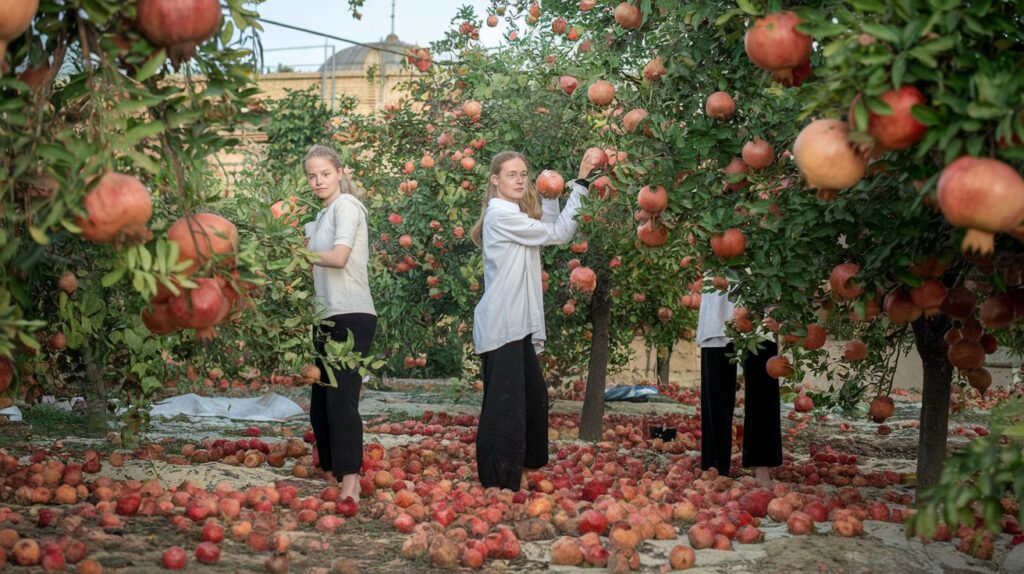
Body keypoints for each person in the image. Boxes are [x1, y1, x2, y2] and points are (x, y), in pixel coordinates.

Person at [470, 150, 600, 491]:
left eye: (523, 174)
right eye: (511, 174)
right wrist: (581, 184)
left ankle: (520, 471)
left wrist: (551, 196)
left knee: (533, 397)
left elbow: (546, 227)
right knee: (505, 405)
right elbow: (558, 234)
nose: (519, 180)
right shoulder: (501, 216)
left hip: (517, 324)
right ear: (495, 179)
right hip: (503, 324)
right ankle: (498, 481)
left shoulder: (514, 215)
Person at [302, 144, 377, 502]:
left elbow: (339, 256)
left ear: (340, 171)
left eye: (325, 174)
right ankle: (332, 473)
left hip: (351, 314)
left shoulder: (346, 206)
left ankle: (351, 481)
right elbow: (308, 266)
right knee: (320, 402)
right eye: (312, 176)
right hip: (325, 315)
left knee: (340, 399)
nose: (318, 181)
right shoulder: (317, 218)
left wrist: (303, 253)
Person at [696, 284, 781, 485]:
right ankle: (715, 465)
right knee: (716, 389)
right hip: (719, 303)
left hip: (760, 302)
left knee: (763, 387)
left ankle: (762, 464)